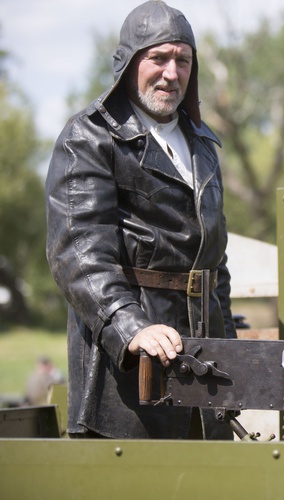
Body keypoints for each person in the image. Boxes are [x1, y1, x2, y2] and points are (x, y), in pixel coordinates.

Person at [45, 0, 236, 439]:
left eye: (183, 60)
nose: (172, 72)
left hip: (208, 364)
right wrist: (131, 326)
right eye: (159, 58)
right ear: (130, 62)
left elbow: (215, 261)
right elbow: (77, 252)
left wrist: (231, 351)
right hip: (126, 372)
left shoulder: (203, 144)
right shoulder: (89, 137)